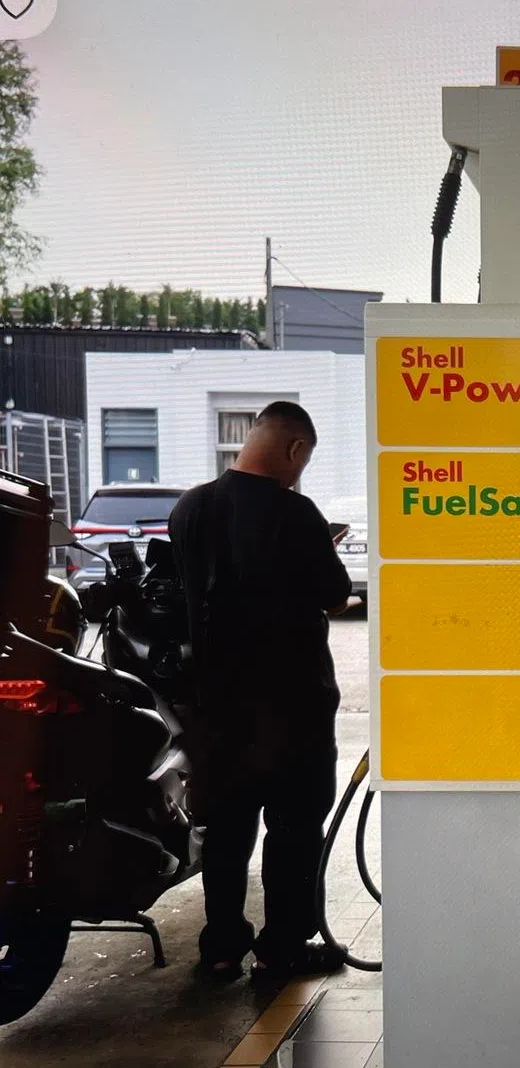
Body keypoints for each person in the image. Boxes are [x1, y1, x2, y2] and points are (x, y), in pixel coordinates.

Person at [169, 401, 352, 980]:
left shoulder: (189, 508)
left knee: (223, 833)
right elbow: (334, 595)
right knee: (293, 832)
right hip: (290, 710)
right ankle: (282, 950)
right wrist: (321, 544)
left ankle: (221, 947)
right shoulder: (296, 516)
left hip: (214, 710)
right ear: (295, 450)